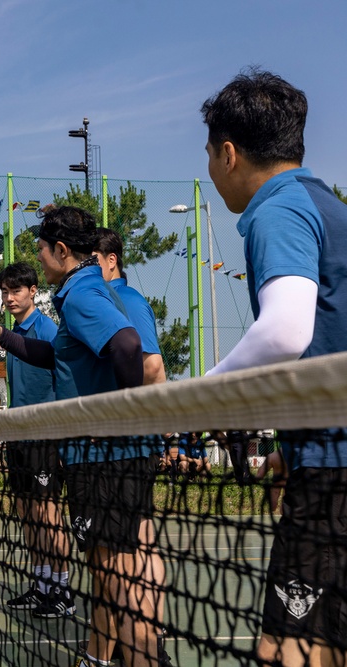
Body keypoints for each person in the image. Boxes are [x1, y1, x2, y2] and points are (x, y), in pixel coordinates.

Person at [0, 206, 164, 667]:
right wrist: (1, 337)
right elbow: (58, 355)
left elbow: (128, 346)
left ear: (62, 251)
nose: (37, 256)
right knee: (117, 571)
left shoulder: (78, 296)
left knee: (116, 575)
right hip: (102, 450)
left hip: (103, 452)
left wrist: (120, 418)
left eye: (40, 249)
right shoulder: (84, 289)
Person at [201, 68, 347, 667]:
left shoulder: (275, 209)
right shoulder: (326, 204)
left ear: (229, 153)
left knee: (286, 647)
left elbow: (287, 329)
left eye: (210, 154)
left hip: (332, 471)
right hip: (326, 452)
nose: (211, 170)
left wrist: (202, 398)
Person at [0, 262, 75, 620]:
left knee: (49, 515)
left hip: (45, 435)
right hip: (18, 435)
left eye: (16, 291)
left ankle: (62, 591)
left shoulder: (47, 329)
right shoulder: (12, 333)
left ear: (32, 291)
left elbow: (61, 382)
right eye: (5, 292)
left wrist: (59, 437)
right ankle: (42, 585)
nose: (10, 298)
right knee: (28, 514)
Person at [93, 228, 167, 385]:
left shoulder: (127, 300)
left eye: (92, 261)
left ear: (111, 260)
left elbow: (152, 368)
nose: (86, 267)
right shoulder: (96, 298)